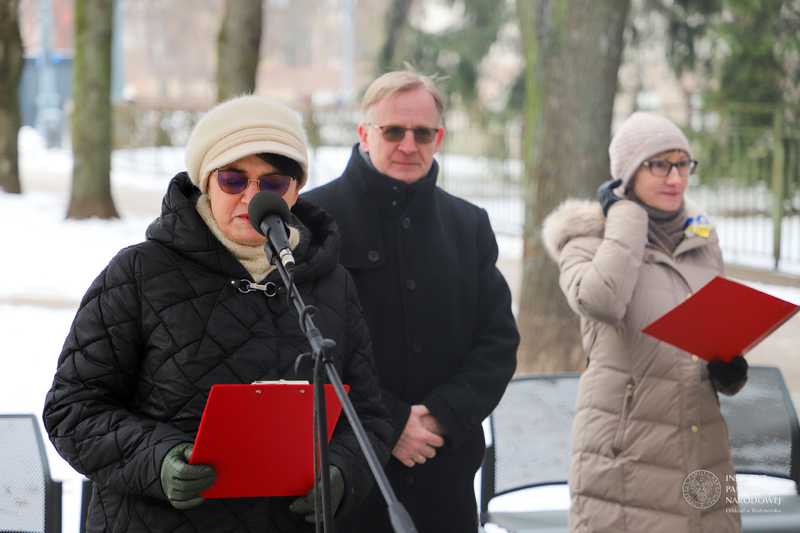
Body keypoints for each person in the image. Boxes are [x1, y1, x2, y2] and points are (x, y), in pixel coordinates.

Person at [42, 95, 393, 533]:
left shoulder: (331, 282)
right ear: (205, 182)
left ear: (296, 190)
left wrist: (342, 473)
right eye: (232, 179)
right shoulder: (138, 272)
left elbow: (367, 417)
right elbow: (72, 409)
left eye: (273, 184)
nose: (251, 196)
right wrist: (158, 461)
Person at [302, 69, 520, 532]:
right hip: (346, 479)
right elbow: (296, 345)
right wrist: (391, 422)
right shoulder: (313, 221)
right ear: (364, 133)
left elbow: (497, 340)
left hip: (444, 479)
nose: (408, 144)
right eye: (393, 130)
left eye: (423, 132)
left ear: (438, 138)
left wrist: (442, 415)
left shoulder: (468, 225)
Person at [542, 111, 748, 532]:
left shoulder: (701, 240)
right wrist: (628, 218)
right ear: (628, 174)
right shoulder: (585, 239)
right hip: (628, 453)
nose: (675, 178)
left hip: (702, 444)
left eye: (683, 164)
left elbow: (711, 332)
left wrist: (728, 367)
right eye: (659, 165)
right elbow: (601, 301)